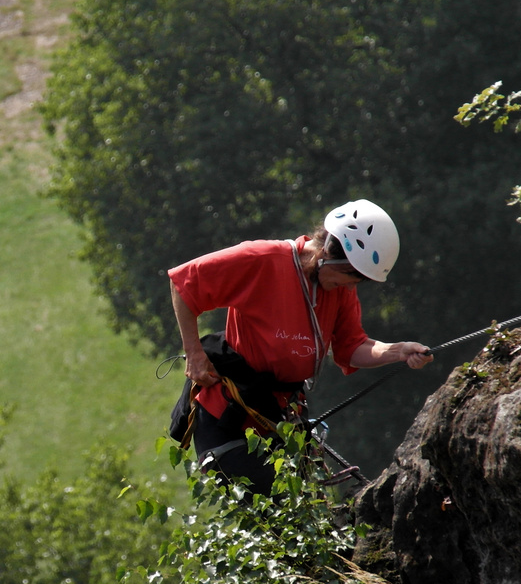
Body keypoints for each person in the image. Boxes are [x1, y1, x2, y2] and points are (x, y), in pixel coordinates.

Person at [168, 199, 433, 493]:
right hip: (229, 418)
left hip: (280, 420)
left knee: (306, 514)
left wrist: (398, 351)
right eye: (351, 276)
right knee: (279, 511)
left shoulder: (339, 290)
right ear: (327, 255)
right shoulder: (264, 259)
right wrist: (194, 354)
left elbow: (351, 347)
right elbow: (184, 283)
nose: (351, 287)